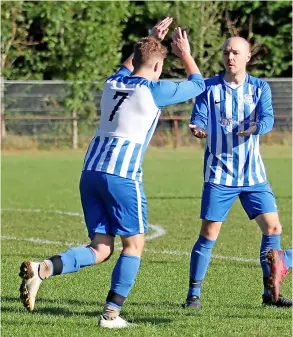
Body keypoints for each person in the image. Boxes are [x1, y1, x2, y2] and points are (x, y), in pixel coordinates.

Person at [19, 18, 206, 328]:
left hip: (90, 171)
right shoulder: (154, 90)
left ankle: (43, 270)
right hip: (122, 175)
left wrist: (149, 39)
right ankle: (111, 315)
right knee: (134, 245)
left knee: (101, 248)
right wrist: (184, 52)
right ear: (158, 68)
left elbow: (129, 64)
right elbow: (198, 84)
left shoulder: (113, 82)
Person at [184, 36, 292, 310]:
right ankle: (193, 295)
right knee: (209, 233)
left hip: (253, 175)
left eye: (235, 52)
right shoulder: (208, 88)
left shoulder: (259, 88)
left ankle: (270, 294)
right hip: (219, 174)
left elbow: (268, 118)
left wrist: (256, 127)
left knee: (273, 228)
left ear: (247, 57)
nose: (230, 57)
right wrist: (197, 128)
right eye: (226, 52)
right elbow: (198, 117)